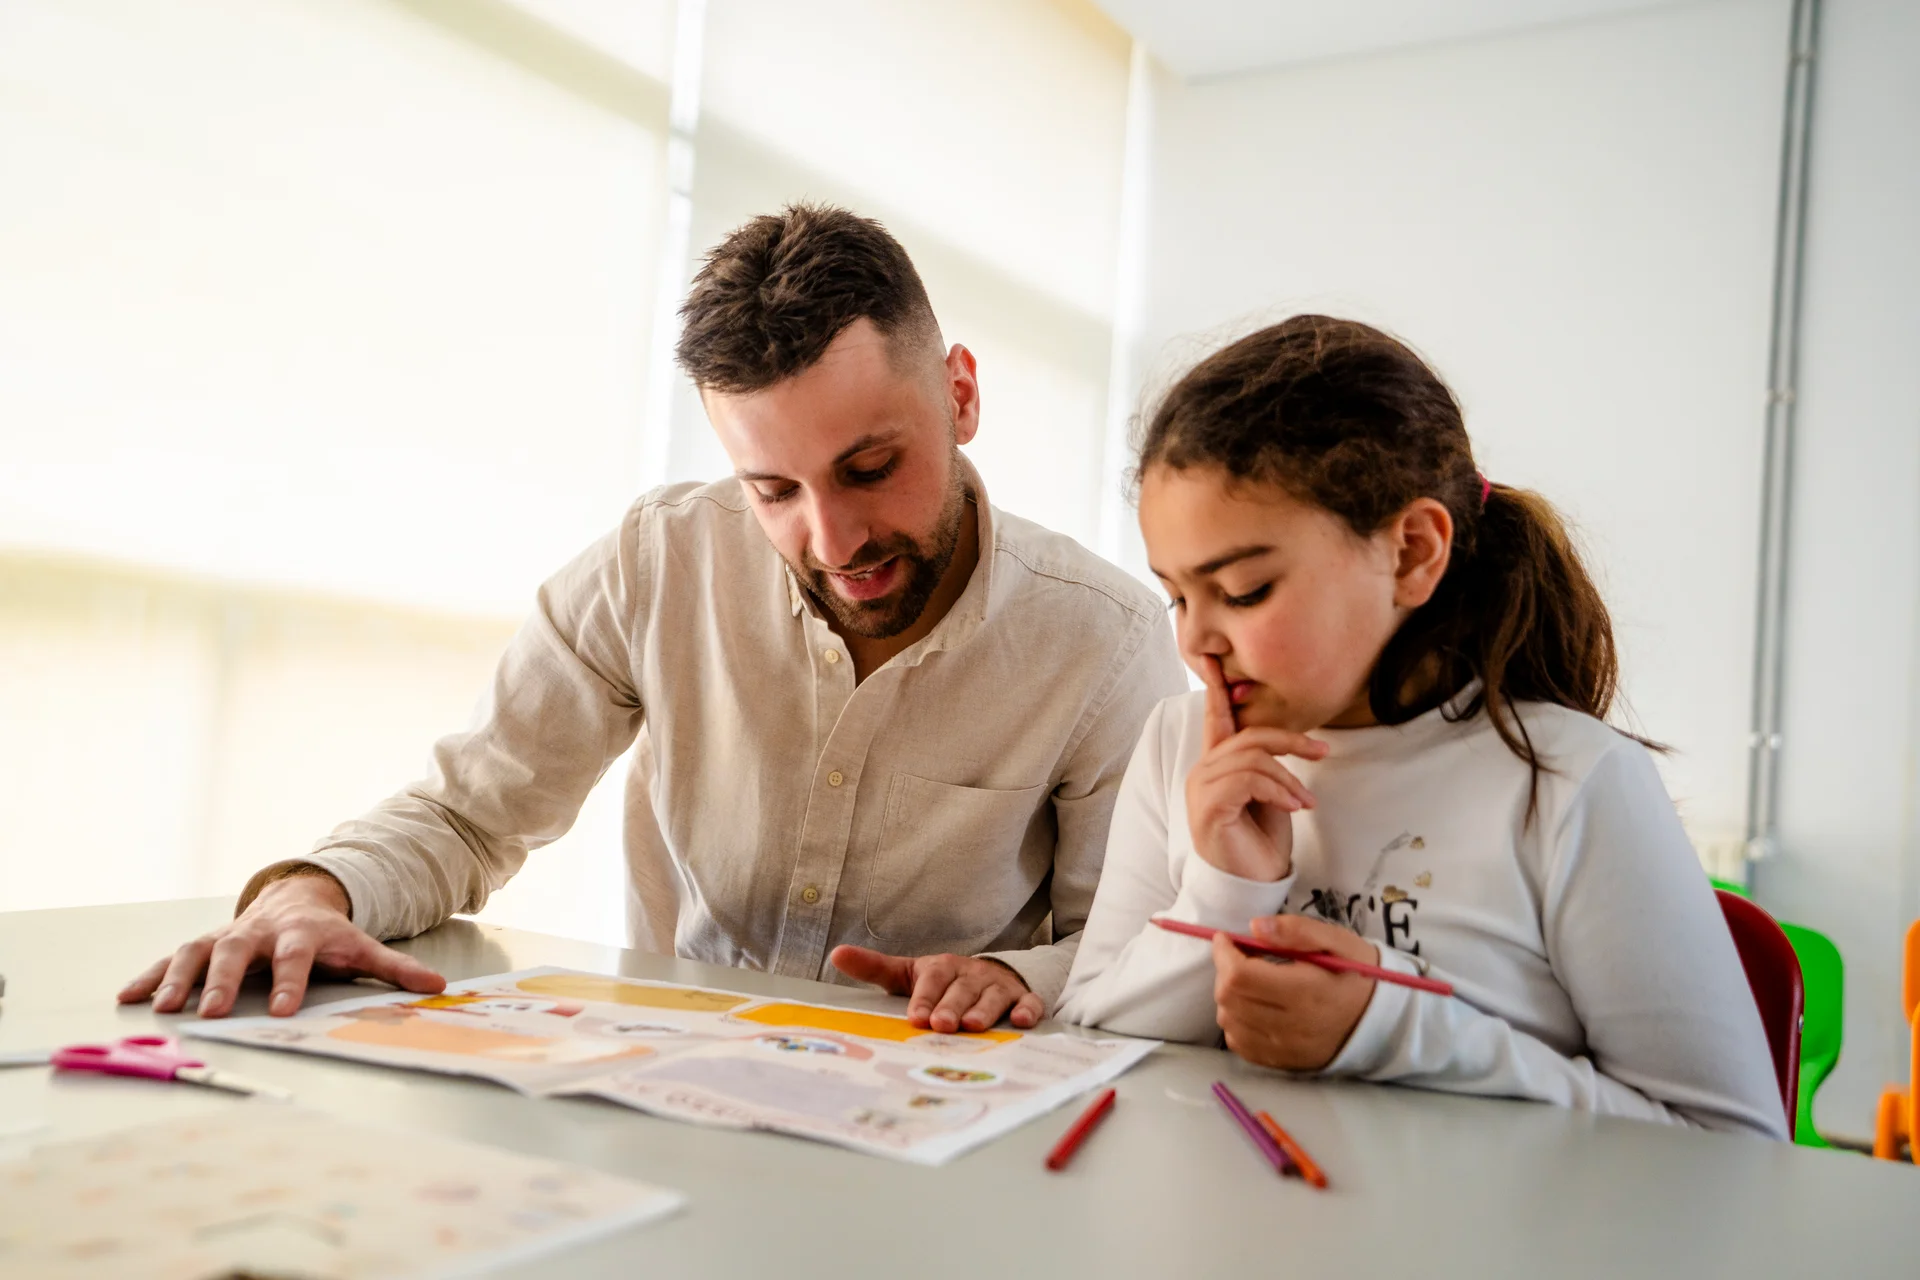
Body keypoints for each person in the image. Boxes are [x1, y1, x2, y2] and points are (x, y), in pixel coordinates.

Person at [119, 204, 1185, 1035]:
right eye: (773, 489)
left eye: (870, 468)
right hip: (676, 1089)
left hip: (943, 1113)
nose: (833, 537)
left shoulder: (1108, 641)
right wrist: (314, 892)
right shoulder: (660, 558)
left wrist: (1008, 973)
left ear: (960, 397)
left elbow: (1121, 950)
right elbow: (467, 814)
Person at [1055, 314, 1786, 1138]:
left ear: (1410, 553)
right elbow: (1087, 1039)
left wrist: (1392, 1025)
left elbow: (1732, 1145)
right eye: (1178, 595)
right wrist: (1226, 890)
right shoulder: (1178, 744)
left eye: (1246, 591)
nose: (1195, 639)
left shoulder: (1570, 784)